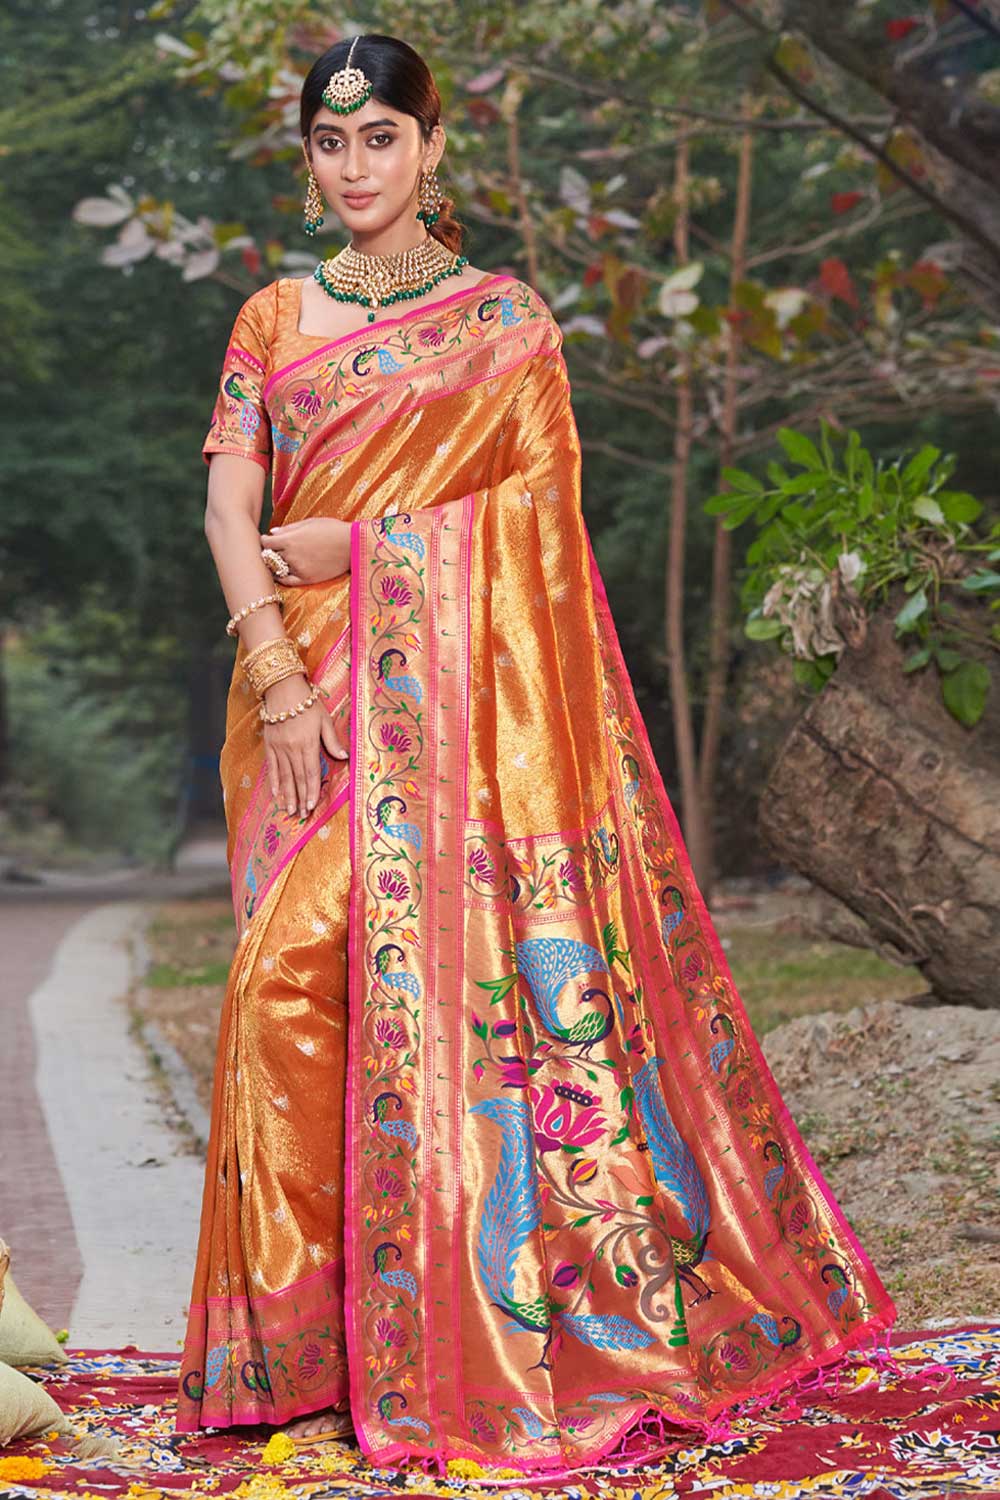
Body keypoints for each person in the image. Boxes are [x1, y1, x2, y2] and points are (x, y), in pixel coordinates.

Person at [174, 30, 897, 1482]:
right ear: (308, 159)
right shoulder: (274, 316)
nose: (355, 167)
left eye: (382, 138)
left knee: (404, 997)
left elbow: (543, 529)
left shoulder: (506, 324)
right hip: (302, 697)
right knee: (281, 996)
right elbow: (227, 508)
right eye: (330, 144)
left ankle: (441, 1338)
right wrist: (280, 676)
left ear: (432, 148)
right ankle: (304, 1357)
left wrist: (368, 543)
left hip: (449, 720)